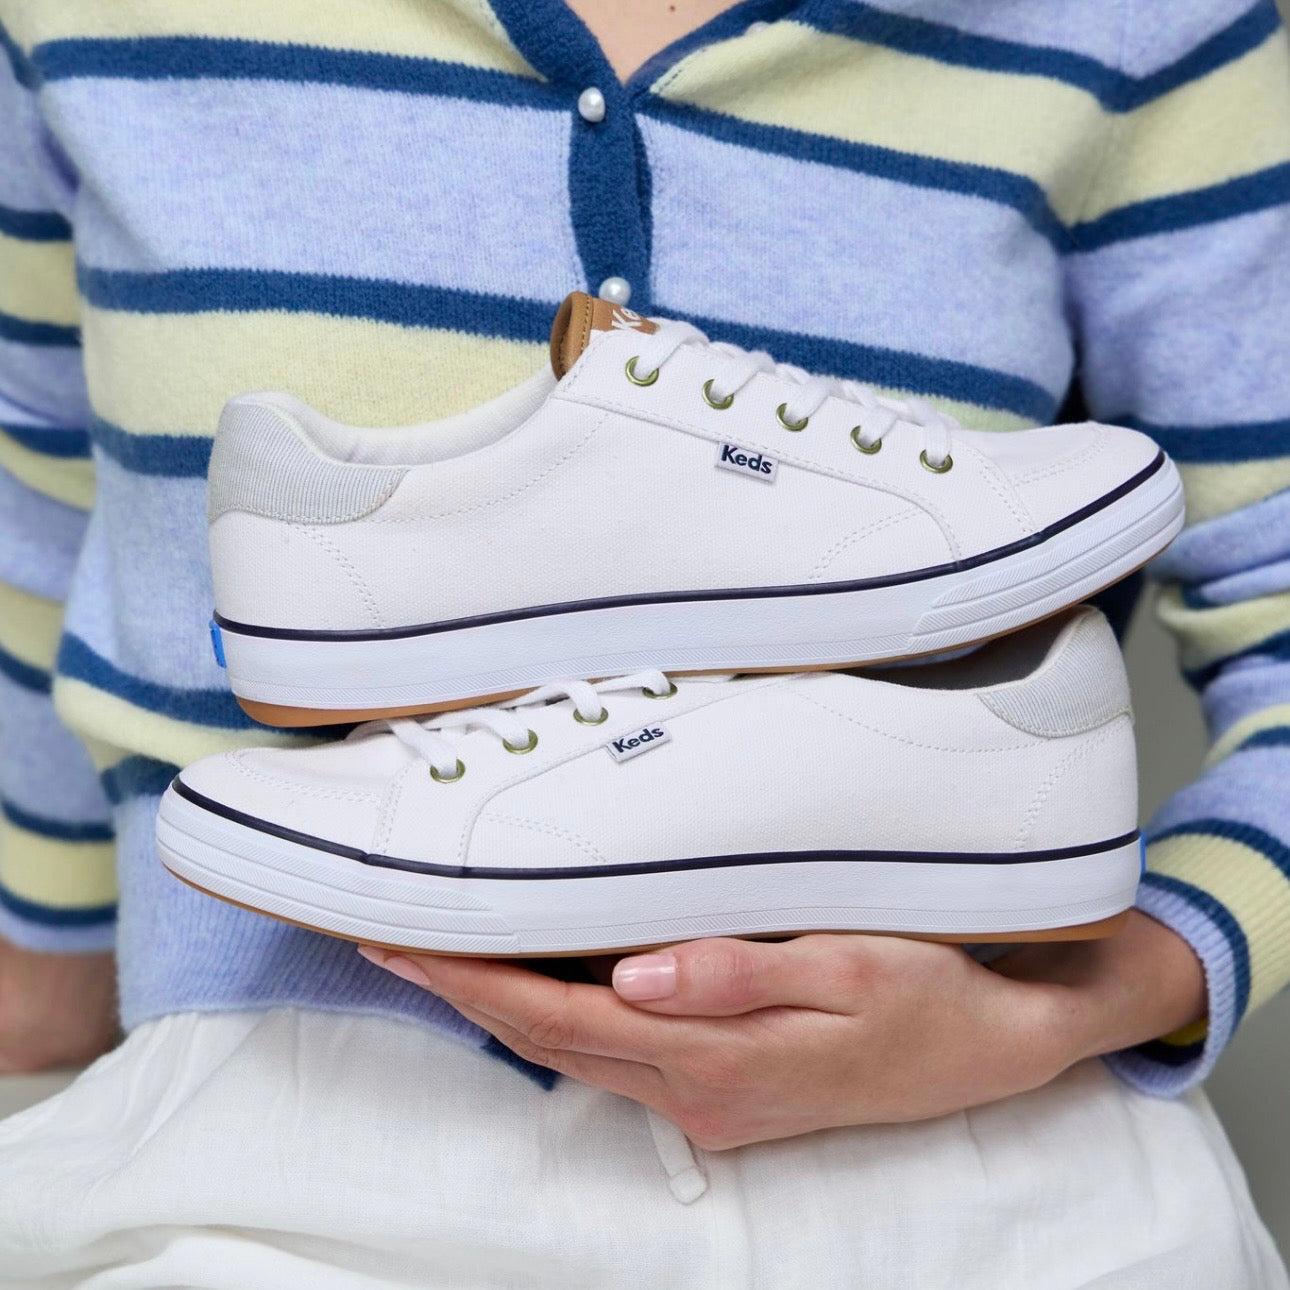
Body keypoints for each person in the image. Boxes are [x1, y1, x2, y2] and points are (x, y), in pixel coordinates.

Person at [0, 1, 1287, 1285]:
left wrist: (1067, 1009)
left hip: (1000, 1172)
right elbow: (39, 531)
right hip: (279, 1159)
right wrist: (49, 974)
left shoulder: (1143, 23)